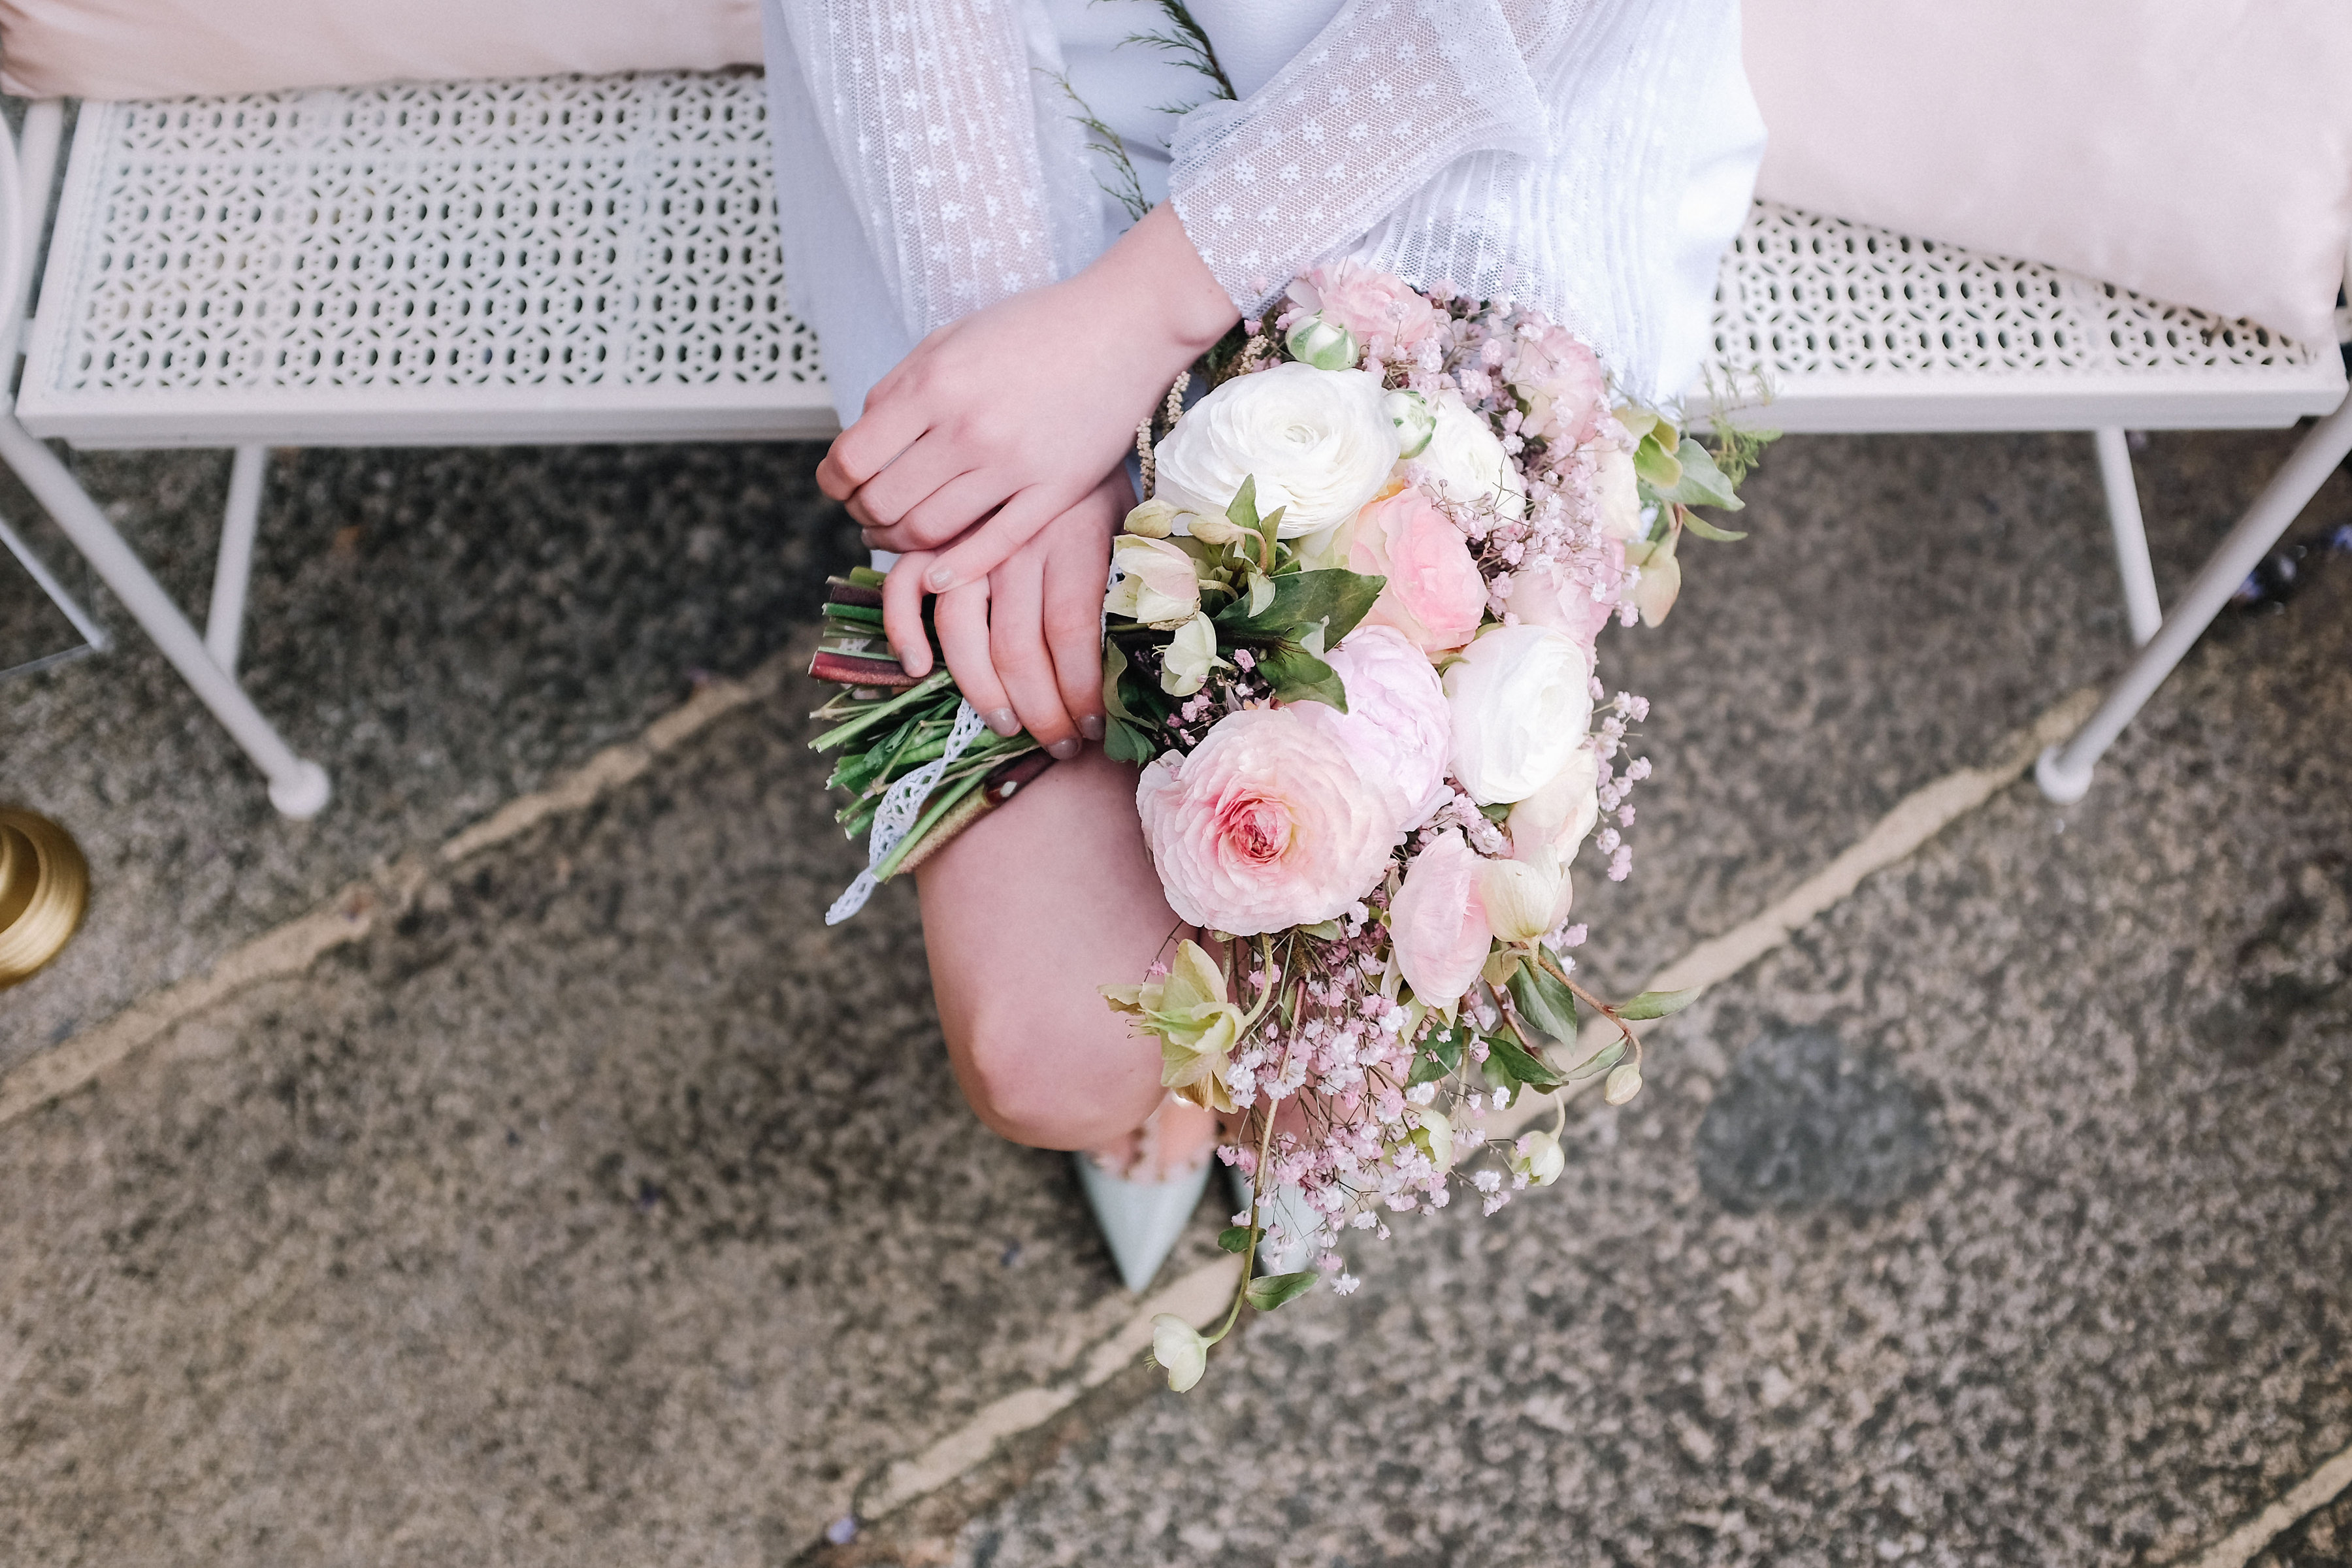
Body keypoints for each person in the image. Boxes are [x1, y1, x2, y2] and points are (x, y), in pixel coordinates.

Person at [761, 0, 1764, 1290]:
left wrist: (1146, 311)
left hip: (1447, 123)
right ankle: (1205, 1043)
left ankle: (1230, 1047)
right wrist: (1035, 404)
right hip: (1006, 114)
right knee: (1052, 1055)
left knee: (1310, 943)